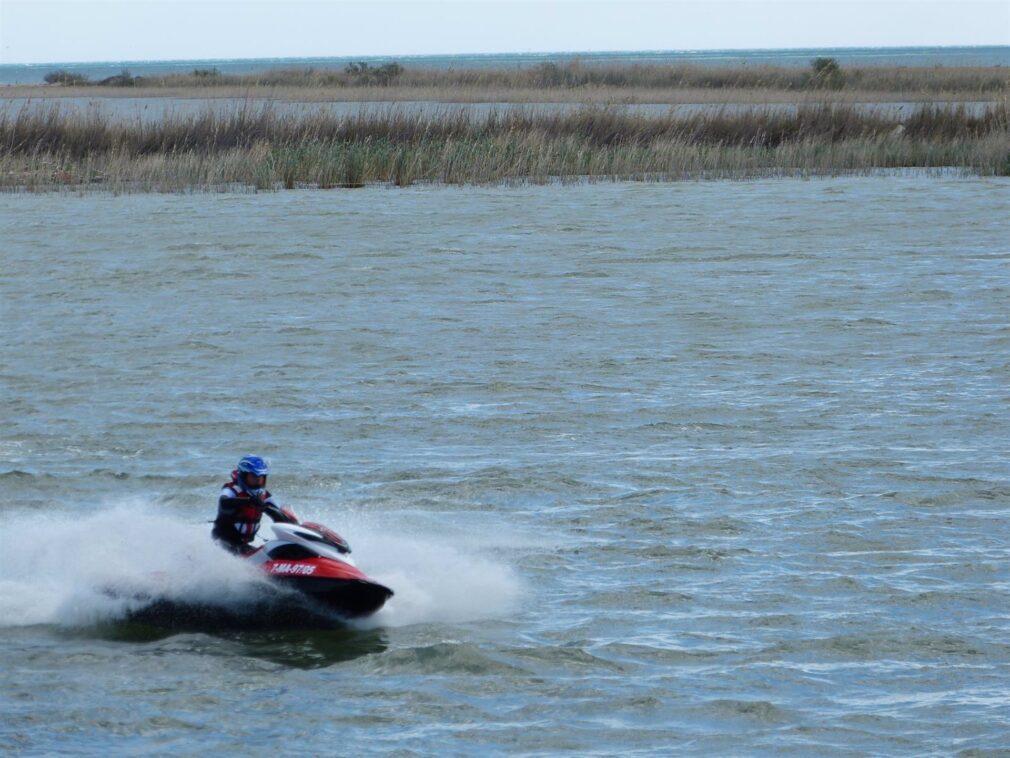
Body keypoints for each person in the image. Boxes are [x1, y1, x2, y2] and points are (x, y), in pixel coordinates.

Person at [212, 455, 298, 554]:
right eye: (253, 478)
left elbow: (279, 513)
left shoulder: (263, 495)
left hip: (243, 545)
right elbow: (224, 502)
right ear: (243, 477)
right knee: (246, 551)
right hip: (223, 542)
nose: (257, 482)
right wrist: (249, 501)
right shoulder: (231, 490)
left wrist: (292, 523)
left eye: (260, 478)